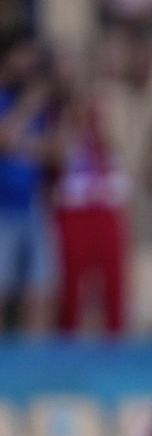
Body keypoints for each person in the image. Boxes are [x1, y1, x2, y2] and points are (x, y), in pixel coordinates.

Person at [53, 59, 130, 336]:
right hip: (76, 209)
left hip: (107, 207)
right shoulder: (65, 119)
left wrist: (104, 122)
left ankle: (114, 337)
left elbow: (121, 149)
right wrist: (75, 120)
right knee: (73, 279)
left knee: (112, 280)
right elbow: (57, 155)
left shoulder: (117, 111)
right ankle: (70, 335)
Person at [0, 34, 62, 335]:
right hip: (3, 208)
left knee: (40, 290)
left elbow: (53, 151)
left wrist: (21, 145)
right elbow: (5, 138)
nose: (30, 63)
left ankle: (35, 373)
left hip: (34, 206)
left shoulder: (41, 102)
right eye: (24, 55)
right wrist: (26, 108)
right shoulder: (18, 99)